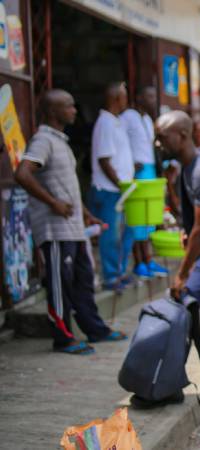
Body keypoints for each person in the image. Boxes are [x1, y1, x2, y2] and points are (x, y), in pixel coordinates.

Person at [14, 89, 127, 355]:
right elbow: (22, 174)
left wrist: (85, 213)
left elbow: (67, 187)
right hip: (55, 230)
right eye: (69, 106)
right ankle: (63, 338)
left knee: (83, 281)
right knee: (59, 284)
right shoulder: (43, 140)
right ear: (53, 112)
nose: (75, 110)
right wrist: (53, 203)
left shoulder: (60, 141)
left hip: (73, 228)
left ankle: (94, 329)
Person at [154, 111, 200, 310]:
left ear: (183, 135)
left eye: (162, 137)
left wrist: (182, 274)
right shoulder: (186, 168)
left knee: (183, 299)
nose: (157, 144)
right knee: (182, 302)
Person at [89, 82, 135, 291]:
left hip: (119, 190)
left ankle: (118, 272)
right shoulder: (106, 122)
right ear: (116, 98)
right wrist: (120, 183)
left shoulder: (116, 122)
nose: (127, 100)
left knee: (125, 233)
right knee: (110, 235)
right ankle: (110, 276)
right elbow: (104, 160)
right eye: (124, 96)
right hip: (109, 190)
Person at [120, 86, 169, 279]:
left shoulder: (148, 119)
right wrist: (130, 164)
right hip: (137, 172)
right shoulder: (128, 117)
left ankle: (149, 260)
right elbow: (121, 143)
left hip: (150, 170)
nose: (152, 100)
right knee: (137, 219)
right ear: (138, 97)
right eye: (148, 96)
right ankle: (138, 262)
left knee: (149, 217)